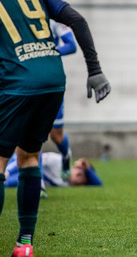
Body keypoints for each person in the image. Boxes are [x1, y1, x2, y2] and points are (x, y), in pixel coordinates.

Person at [0, 0, 111, 257]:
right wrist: (95, 70)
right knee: (28, 157)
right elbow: (77, 20)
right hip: (52, 80)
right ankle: (24, 243)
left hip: (16, 81)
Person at [49, 20, 77, 179]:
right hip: (26, 80)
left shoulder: (53, 20)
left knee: (56, 135)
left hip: (53, 79)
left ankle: (65, 155)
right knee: (29, 131)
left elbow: (71, 45)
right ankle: (37, 182)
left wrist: (50, 52)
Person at [5, 152, 102, 188]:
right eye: (79, 171)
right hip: (14, 163)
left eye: (82, 176)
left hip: (26, 176)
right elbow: (32, 158)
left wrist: (88, 168)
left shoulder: (68, 185)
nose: (79, 172)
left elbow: (98, 184)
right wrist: (8, 171)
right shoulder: (58, 161)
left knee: (8, 184)